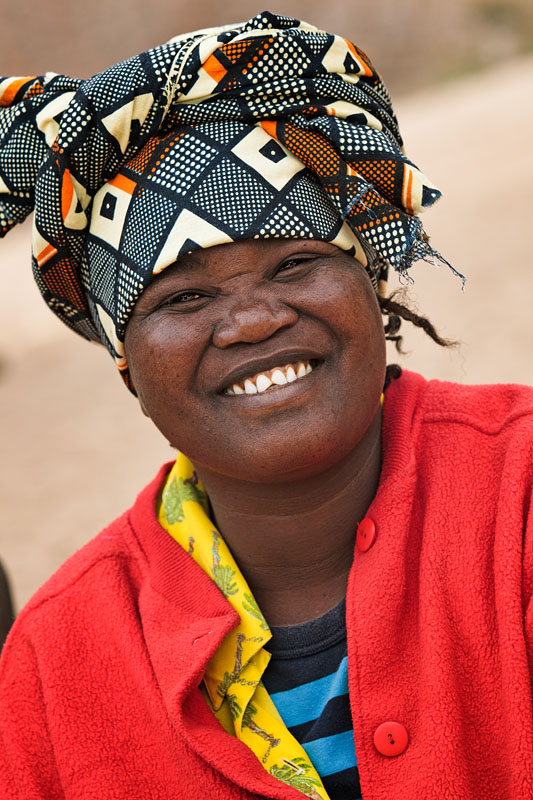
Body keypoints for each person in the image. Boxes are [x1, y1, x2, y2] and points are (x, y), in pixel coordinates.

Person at [0, 11, 532, 800]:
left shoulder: (517, 492)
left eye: (295, 263)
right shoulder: (54, 663)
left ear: (373, 289)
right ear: (128, 371)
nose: (252, 320)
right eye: (183, 298)